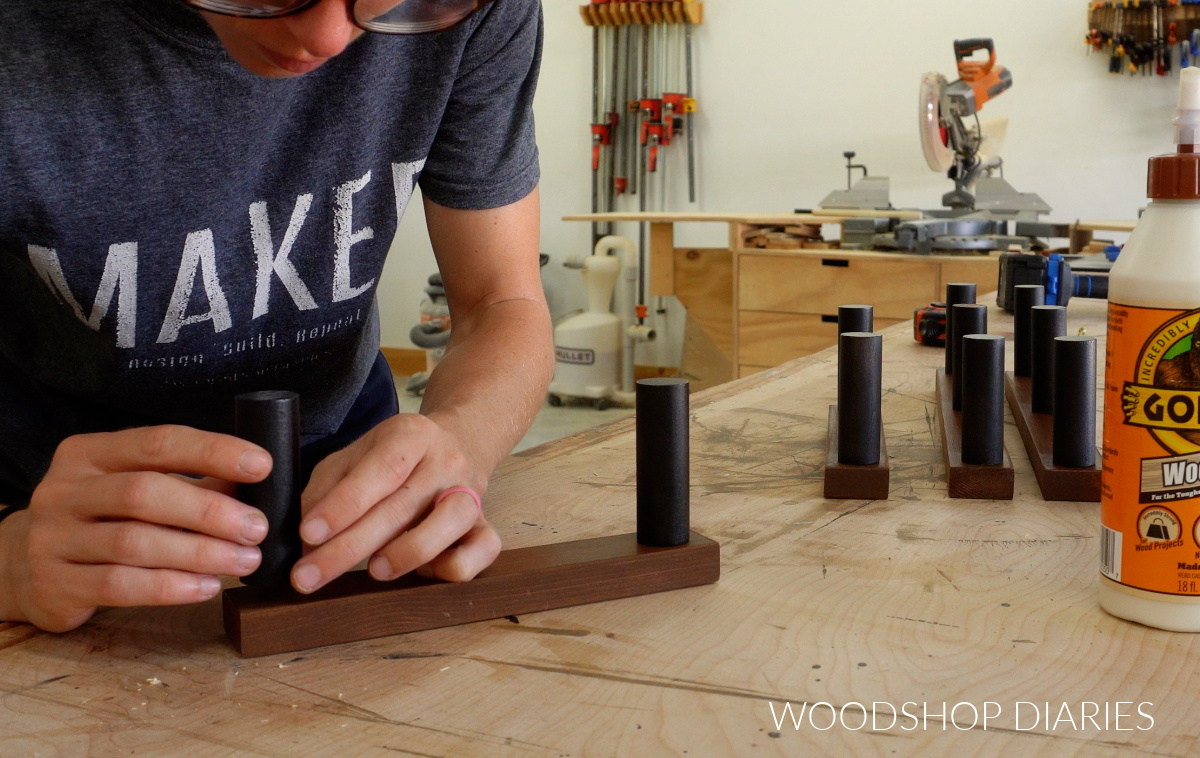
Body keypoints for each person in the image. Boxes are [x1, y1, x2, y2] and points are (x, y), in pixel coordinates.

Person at [0, 0, 553, 633]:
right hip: (49, 518)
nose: (327, 38)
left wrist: (462, 440)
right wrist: (10, 564)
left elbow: (501, 304)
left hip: (349, 488)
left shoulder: (474, 9)